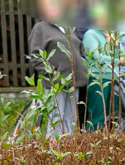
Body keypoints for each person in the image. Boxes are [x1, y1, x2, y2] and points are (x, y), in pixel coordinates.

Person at [28, 0, 88, 135]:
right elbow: (36, 56)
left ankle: (66, 150)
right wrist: (52, 72)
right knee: (56, 120)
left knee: (71, 120)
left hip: (75, 81)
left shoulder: (66, 27)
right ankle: (54, 151)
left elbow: (79, 49)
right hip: (55, 83)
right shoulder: (41, 28)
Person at [82, 3, 124, 130]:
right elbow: (96, 56)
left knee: (114, 114)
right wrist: (116, 61)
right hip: (98, 79)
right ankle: (92, 139)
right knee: (98, 115)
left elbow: (122, 56)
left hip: (114, 78)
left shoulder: (112, 35)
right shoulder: (90, 34)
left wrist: (115, 44)